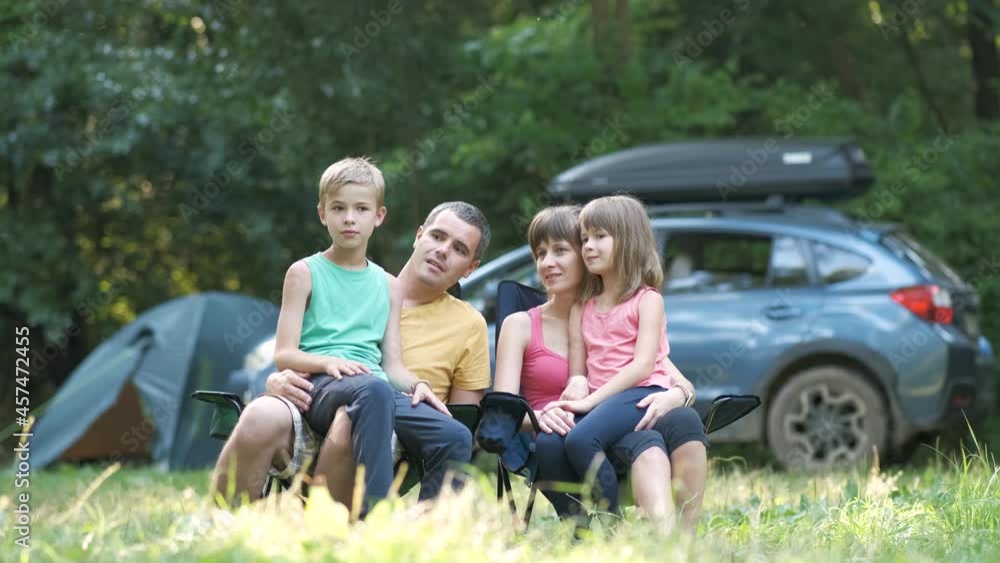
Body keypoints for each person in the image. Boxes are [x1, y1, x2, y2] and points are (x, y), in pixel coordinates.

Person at [213, 201, 491, 507]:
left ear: (470, 268)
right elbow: (292, 354)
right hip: (316, 402)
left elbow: (461, 419)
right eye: (437, 237)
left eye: (459, 249)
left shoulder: (469, 324)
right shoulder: (354, 283)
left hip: (393, 435)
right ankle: (224, 527)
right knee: (261, 413)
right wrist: (274, 380)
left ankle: (350, 531)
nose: (442, 250)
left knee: (353, 415)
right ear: (419, 235)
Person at [493, 205, 707, 530]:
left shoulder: (621, 312)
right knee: (558, 442)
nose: (546, 263)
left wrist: (673, 396)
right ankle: (593, 530)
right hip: (559, 440)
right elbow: (501, 417)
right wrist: (539, 415)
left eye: (561, 250)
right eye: (540, 253)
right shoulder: (522, 324)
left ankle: (678, 537)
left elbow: (668, 377)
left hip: (614, 427)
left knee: (679, 422)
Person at [270, 156, 450, 512]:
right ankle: (374, 515)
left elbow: (392, 365)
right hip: (323, 386)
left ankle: (432, 528)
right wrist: (329, 361)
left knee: (454, 434)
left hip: (376, 387)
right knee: (374, 389)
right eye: (338, 208)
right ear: (323, 213)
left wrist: (417, 385)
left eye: (361, 209)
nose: (349, 218)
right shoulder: (303, 273)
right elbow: (284, 355)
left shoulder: (389, 285)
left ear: (378, 216)